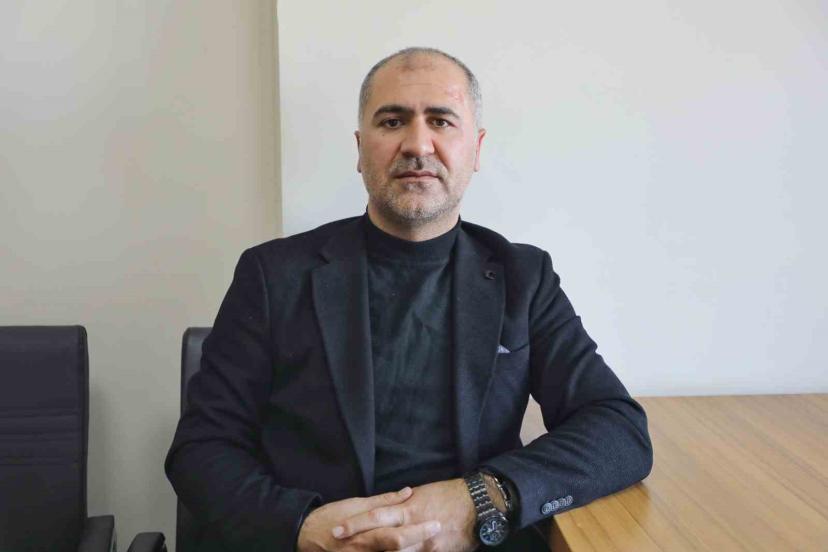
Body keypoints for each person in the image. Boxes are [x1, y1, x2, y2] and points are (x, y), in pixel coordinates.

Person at [166, 47, 653, 552]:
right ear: (361, 149)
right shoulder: (273, 275)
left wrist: (479, 499)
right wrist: (302, 528)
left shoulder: (524, 278)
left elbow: (618, 430)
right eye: (393, 121)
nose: (418, 144)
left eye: (441, 121)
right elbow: (202, 447)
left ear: (476, 149)